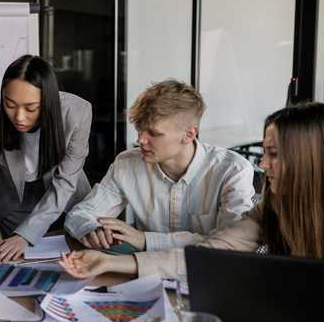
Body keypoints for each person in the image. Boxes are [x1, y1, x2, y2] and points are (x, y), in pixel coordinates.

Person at [59, 102, 324, 280]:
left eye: (274, 154)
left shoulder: (232, 169)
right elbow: (212, 255)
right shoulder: (271, 206)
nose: (263, 165)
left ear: (309, 158)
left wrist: (143, 240)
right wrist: (109, 262)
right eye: (265, 152)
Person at [65, 79, 254, 253]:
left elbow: (231, 245)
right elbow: (81, 214)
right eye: (139, 129)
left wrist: (146, 240)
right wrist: (91, 228)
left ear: (188, 134)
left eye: (153, 133)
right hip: (144, 276)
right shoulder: (127, 164)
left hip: (209, 275)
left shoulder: (233, 171)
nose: (140, 140)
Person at [0, 54, 92, 263]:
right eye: (9, 104)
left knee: (71, 261)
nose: (19, 117)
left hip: (64, 195)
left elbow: (65, 183)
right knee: (19, 263)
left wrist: (26, 234)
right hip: (13, 199)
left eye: (31, 108)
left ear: (48, 102)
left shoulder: (77, 113)